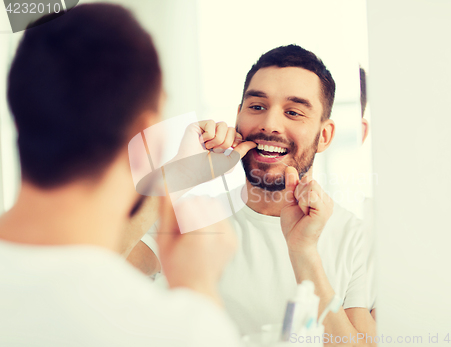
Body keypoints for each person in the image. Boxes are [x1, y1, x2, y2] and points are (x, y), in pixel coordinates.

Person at [0, 4, 244, 346]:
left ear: (18, 114)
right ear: (146, 132)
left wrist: (173, 175)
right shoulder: (175, 329)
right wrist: (198, 292)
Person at [129, 45, 377, 344]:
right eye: (257, 107)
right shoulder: (188, 218)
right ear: (238, 117)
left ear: (324, 135)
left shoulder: (356, 236)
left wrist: (305, 254)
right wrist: (179, 175)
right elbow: (94, 266)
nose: (269, 124)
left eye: (293, 112)